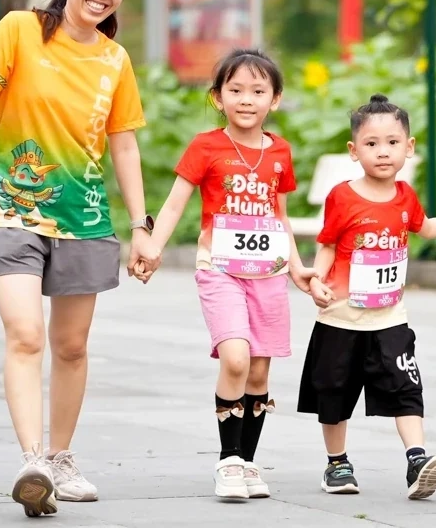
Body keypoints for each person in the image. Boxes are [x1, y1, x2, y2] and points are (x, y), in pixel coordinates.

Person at [0, 0, 156, 517]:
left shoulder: (115, 61)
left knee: (71, 346)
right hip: (12, 209)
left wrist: (141, 225)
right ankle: (33, 461)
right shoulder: (20, 29)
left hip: (84, 218)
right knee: (26, 334)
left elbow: (124, 146)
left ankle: (62, 458)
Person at [133, 48, 315, 501]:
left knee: (259, 371)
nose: (246, 99)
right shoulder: (206, 146)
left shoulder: (280, 151)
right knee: (235, 358)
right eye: (235, 90)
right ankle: (228, 460)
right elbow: (175, 203)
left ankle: (248, 463)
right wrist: (152, 247)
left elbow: (280, 215)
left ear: (275, 99)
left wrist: (297, 268)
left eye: (258, 91)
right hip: (219, 269)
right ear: (218, 97)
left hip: (269, 273)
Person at [297, 94, 436, 500]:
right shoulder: (342, 196)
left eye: (393, 142)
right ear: (354, 150)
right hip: (341, 317)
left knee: (405, 387)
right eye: (372, 143)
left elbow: (427, 227)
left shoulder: (404, 196)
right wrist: (316, 280)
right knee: (334, 392)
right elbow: (328, 243)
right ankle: (337, 463)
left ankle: (417, 459)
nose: (383, 152)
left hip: (390, 318)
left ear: (409, 147)